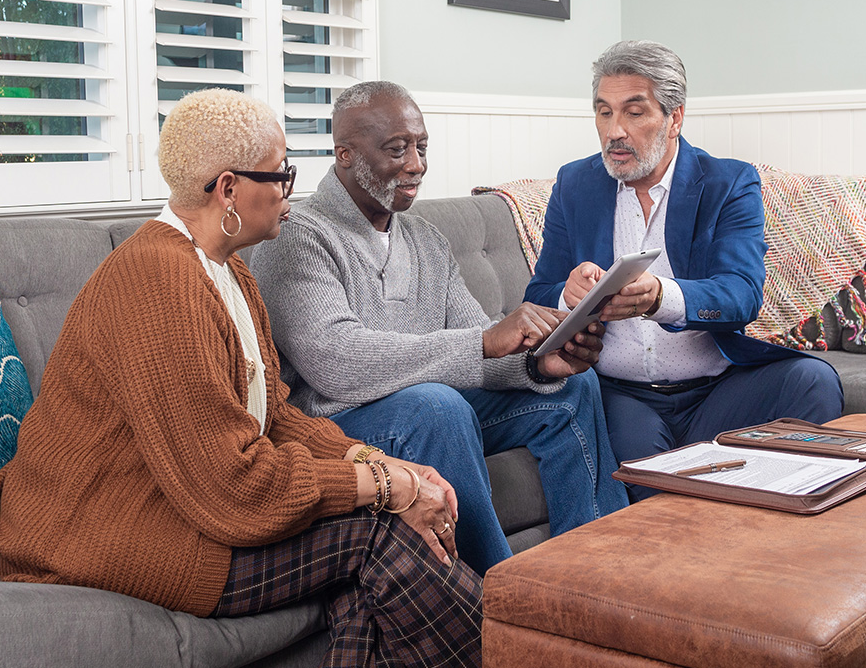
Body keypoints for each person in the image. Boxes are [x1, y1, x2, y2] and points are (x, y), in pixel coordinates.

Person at [0, 89, 484, 668]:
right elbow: (232, 489)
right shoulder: (157, 282)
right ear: (227, 188)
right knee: (380, 538)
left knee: (382, 529)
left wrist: (375, 461)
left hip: (182, 494)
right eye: (282, 176)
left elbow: (274, 419)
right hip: (97, 524)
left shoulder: (229, 273)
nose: (291, 193)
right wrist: (387, 492)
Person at [251, 81, 627, 576]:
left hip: (431, 409)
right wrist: (484, 342)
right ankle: (494, 597)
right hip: (339, 424)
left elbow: (482, 350)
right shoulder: (298, 236)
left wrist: (536, 362)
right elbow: (337, 364)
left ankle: (597, 571)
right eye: (396, 149)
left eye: (421, 146)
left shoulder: (425, 238)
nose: (416, 164)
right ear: (344, 154)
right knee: (437, 405)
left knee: (571, 384)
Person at [524, 41, 844, 501]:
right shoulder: (575, 184)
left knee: (811, 381)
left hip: (718, 388)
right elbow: (538, 293)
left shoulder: (727, 182)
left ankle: (789, 533)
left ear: (674, 119)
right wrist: (567, 294)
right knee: (650, 485)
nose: (615, 131)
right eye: (604, 113)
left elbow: (740, 293)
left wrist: (661, 297)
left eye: (634, 114)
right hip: (622, 394)